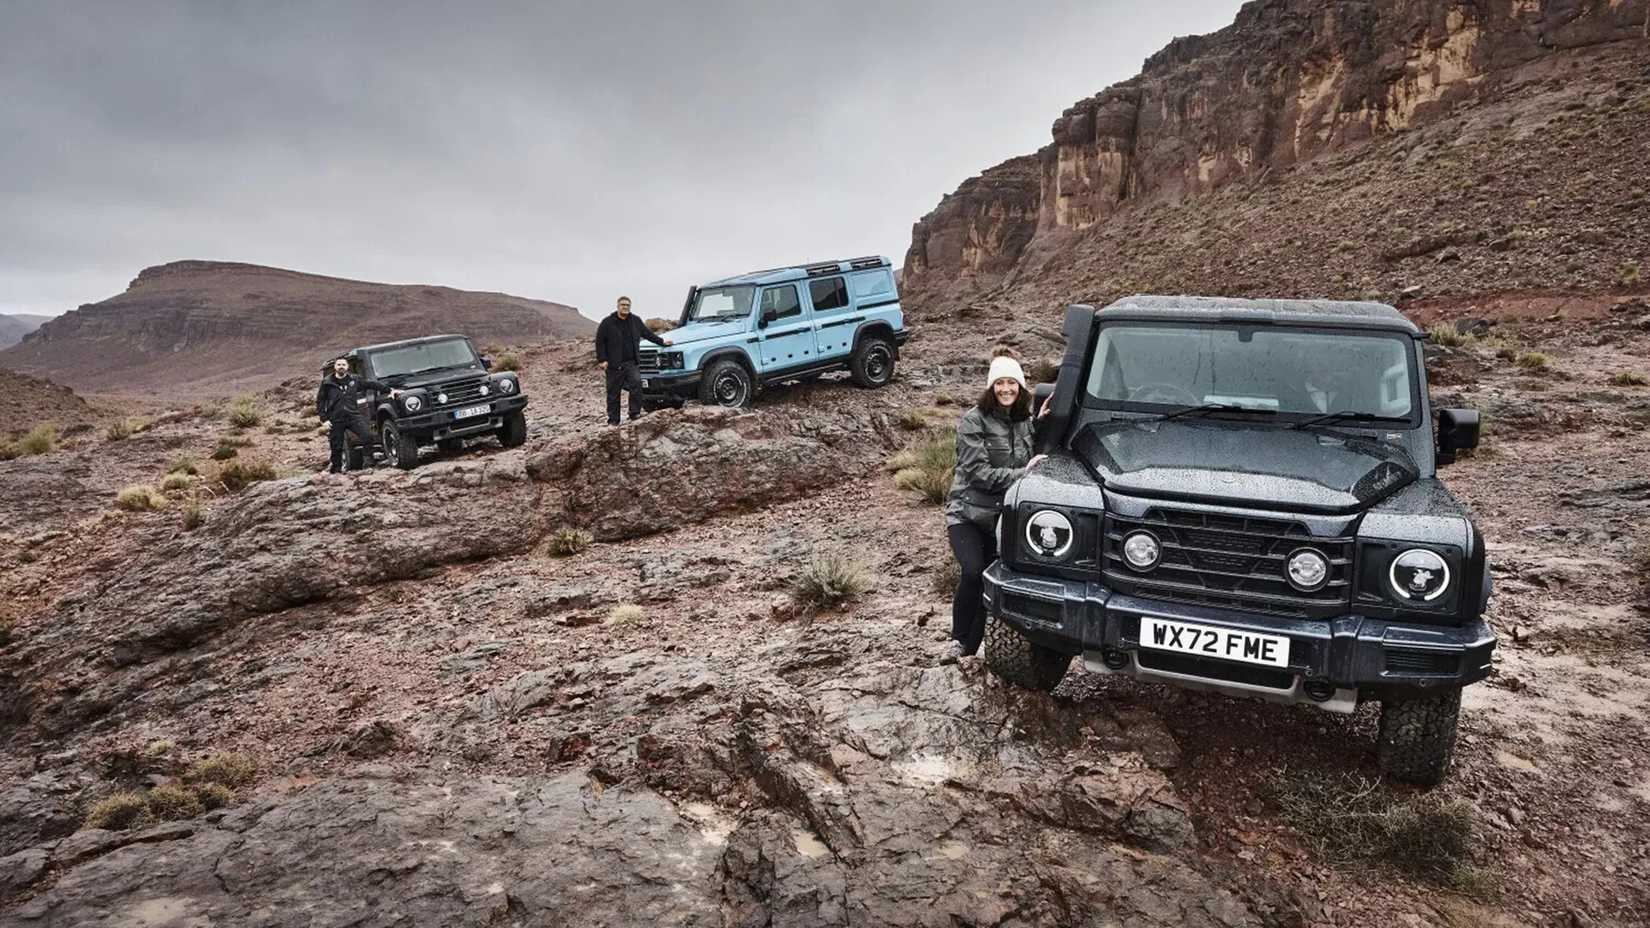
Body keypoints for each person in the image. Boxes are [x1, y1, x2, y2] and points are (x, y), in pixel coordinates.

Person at [941, 348, 1047, 664]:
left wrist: (1044, 422)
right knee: (973, 571)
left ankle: (973, 650)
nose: (1005, 389)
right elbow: (979, 474)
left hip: (1002, 518)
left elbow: (1037, 445)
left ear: (1020, 387)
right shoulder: (973, 421)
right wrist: (1023, 473)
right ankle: (958, 641)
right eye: (999, 383)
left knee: (993, 580)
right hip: (968, 513)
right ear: (991, 387)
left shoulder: (1024, 422)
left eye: (1011, 383)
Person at [595, 296, 673, 425]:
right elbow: (600, 342)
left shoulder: (635, 321)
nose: (625, 307)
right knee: (613, 393)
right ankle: (613, 420)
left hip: (631, 362)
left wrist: (662, 342)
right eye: (623, 305)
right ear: (618, 306)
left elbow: (647, 334)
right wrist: (602, 359)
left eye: (627, 305)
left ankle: (634, 413)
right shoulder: (607, 322)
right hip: (614, 364)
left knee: (637, 385)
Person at [316, 357, 399, 474]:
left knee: (367, 436)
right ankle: (336, 471)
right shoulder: (327, 382)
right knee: (336, 446)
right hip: (335, 418)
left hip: (352, 415)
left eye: (343, 365)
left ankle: (368, 465)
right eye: (338, 364)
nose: (341, 366)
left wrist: (389, 390)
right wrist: (324, 419)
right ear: (335, 367)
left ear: (347, 367)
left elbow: (371, 384)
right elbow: (320, 401)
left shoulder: (354, 379)